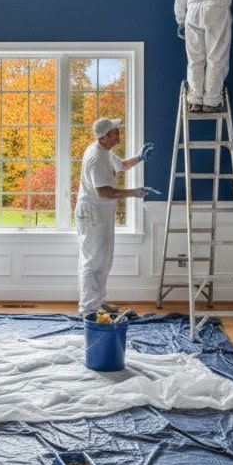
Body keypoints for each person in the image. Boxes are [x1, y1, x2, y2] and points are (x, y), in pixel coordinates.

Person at [75, 118, 156, 317]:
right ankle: (88, 309)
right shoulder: (96, 158)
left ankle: (98, 301)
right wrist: (134, 192)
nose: (118, 135)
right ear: (103, 137)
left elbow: (123, 165)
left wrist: (140, 157)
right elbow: (103, 191)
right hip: (92, 213)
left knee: (103, 260)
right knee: (93, 260)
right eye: (114, 132)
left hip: (100, 213)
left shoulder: (105, 153)